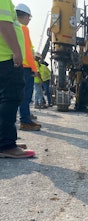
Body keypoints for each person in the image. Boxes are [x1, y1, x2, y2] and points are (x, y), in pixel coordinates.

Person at [0, 0, 35, 158]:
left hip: (4, 57)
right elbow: (4, 23)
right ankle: (6, 144)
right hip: (6, 58)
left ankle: (4, 139)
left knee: (5, 100)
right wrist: (16, 51)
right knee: (11, 98)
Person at [16, 3, 41, 131]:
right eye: (29, 18)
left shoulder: (13, 27)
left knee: (19, 96)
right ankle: (25, 121)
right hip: (26, 67)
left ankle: (25, 116)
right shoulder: (24, 28)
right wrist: (35, 69)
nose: (29, 20)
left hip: (17, 65)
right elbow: (28, 52)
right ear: (25, 15)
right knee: (26, 96)